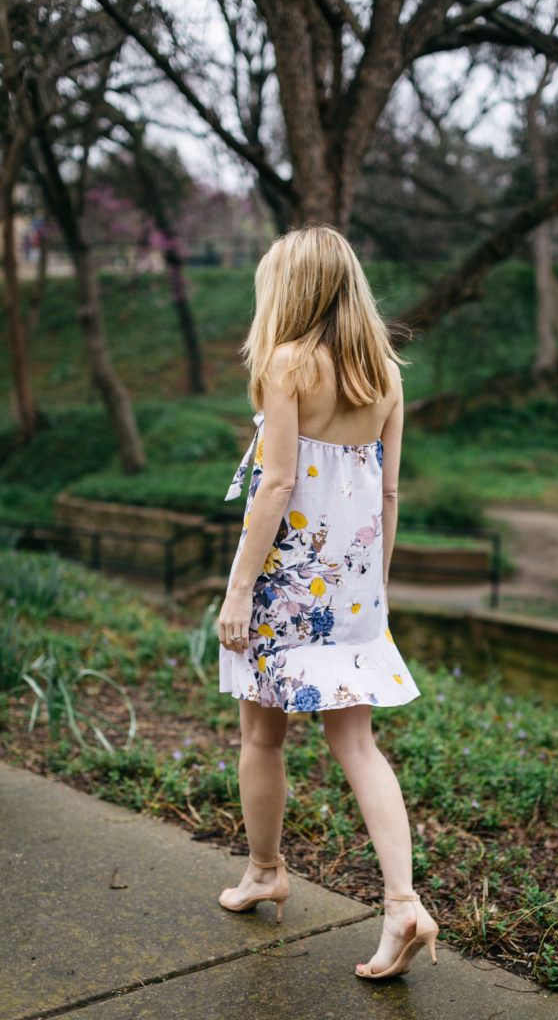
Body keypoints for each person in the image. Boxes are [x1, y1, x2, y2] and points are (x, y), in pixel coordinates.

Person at [217, 225, 438, 979]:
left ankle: (265, 869)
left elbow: (277, 486)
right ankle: (402, 902)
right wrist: (374, 593)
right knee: (357, 744)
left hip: (285, 584)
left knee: (262, 735)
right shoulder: (385, 373)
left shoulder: (285, 364)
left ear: (293, 289)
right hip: (352, 588)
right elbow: (388, 490)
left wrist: (240, 587)